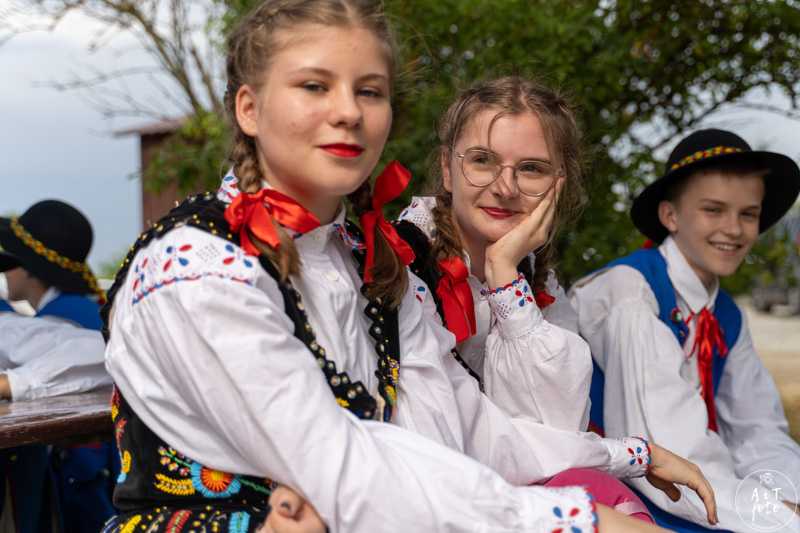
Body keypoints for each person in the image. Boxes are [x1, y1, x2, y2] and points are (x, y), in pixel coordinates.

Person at [101, 1, 678, 531]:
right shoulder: (197, 266)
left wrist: (629, 454)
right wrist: (578, 520)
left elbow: (471, 431)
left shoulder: (368, 262)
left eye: (370, 91)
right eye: (314, 86)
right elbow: (346, 469)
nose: (348, 112)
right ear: (249, 109)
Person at [394, 75, 716, 523]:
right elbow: (461, 446)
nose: (506, 186)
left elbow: (559, 433)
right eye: (483, 160)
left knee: (590, 486)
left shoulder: (535, 279)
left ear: (557, 185)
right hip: (425, 502)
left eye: (531, 169)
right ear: (447, 169)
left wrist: (504, 277)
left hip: (507, 489)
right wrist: (634, 454)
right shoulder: (403, 267)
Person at [570, 128, 800, 531]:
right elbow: (668, 449)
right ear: (670, 216)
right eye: (713, 210)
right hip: (627, 497)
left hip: (694, 491)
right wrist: (777, 517)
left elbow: (756, 429)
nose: (734, 229)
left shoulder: (725, 315)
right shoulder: (631, 293)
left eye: (748, 214)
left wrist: (790, 498)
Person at [0, 200, 114, 533]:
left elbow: (99, 350)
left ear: (29, 267)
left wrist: (10, 383)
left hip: (81, 475)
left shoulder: (52, 321)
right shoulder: (82, 309)